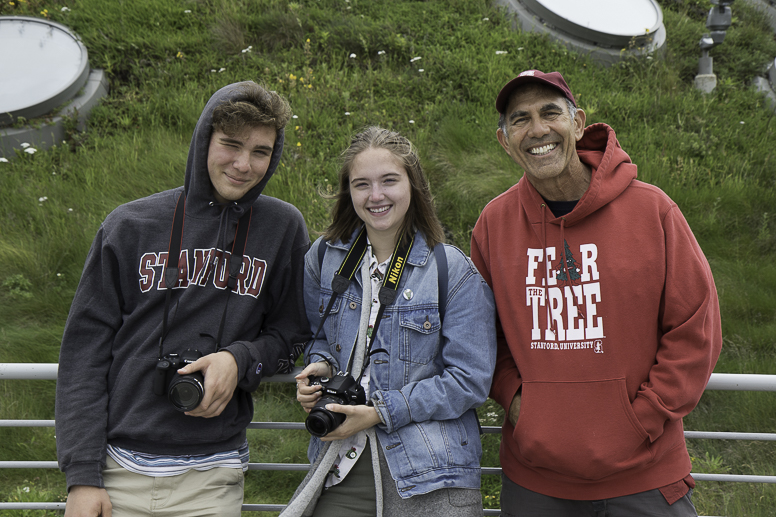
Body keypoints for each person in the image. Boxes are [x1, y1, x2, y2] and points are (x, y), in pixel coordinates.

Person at [470, 70, 722, 516]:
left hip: (643, 473)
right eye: (520, 119)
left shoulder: (652, 210)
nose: (538, 130)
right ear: (504, 140)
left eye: (551, 113)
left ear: (579, 122)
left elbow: (695, 327)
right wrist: (517, 404)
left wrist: (641, 418)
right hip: (537, 481)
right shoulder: (494, 224)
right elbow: (479, 333)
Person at [55, 81, 311, 517]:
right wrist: (82, 477)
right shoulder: (130, 225)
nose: (243, 165)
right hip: (116, 472)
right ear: (203, 141)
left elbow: (293, 335)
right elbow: (84, 353)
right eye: (230, 144)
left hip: (213, 477)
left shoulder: (282, 228)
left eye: (261, 152)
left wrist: (240, 359)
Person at [280, 126, 497, 517]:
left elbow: (470, 380)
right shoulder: (324, 258)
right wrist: (320, 368)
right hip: (339, 467)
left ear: (413, 186)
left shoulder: (451, 270)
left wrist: (381, 411)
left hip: (430, 477)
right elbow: (319, 339)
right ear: (348, 192)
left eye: (389, 181)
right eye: (362, 184)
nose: (375, 196)